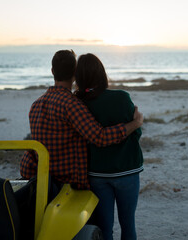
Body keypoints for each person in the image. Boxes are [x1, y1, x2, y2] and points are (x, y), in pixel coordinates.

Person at [20, 50, 143, 190]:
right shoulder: (71, 104)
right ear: (74, 73)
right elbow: (100, 137)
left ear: (52, 71)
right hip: (67, 182)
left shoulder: (36, 104)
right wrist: (136, 123)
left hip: (42, 179)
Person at [75, 53, 144, 240]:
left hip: (97, 173)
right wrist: (136, 125)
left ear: (78, 77)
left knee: (105, 227)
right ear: (102, 73)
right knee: (128, 224)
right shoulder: (121, 98)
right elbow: (136, 133)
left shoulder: (78, 104)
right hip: (127, 169)